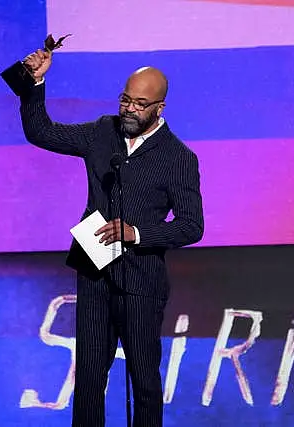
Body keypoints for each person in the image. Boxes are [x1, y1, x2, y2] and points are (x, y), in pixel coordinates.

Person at [19, 48, 204, 427]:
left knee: (145, 382)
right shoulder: (102, 132)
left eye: (140, 103)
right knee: (88, 377)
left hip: (140, 282)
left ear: (159, 107)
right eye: (125, 99)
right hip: (94, 274)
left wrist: (137, 233)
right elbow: (41, 132)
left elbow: (191, 225)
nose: (129, 109)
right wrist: (35, 83)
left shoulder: (178, 157)